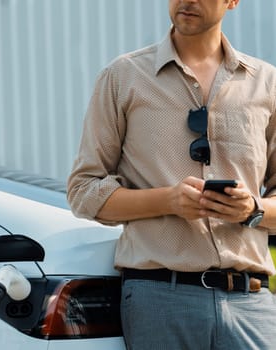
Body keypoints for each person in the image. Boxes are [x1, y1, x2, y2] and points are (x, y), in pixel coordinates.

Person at [67, 0, 276, 349]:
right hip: (160, 299)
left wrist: (251, 210)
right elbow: (84, 191)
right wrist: (168, 200)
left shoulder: (267, 84)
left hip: (250, 305)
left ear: (232, 1)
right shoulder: (123, 77)